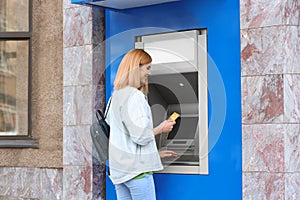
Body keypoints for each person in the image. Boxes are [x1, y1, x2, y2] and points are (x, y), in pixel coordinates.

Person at [107, 49, 177, 200]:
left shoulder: (115, 97)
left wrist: (154, 154)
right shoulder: (135, 96)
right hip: (137, 173)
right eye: (147, 68)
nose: (149, 73)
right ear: (135, 68)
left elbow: (123, 137)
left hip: (120, 172)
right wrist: (161, 128)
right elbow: (140, 136)